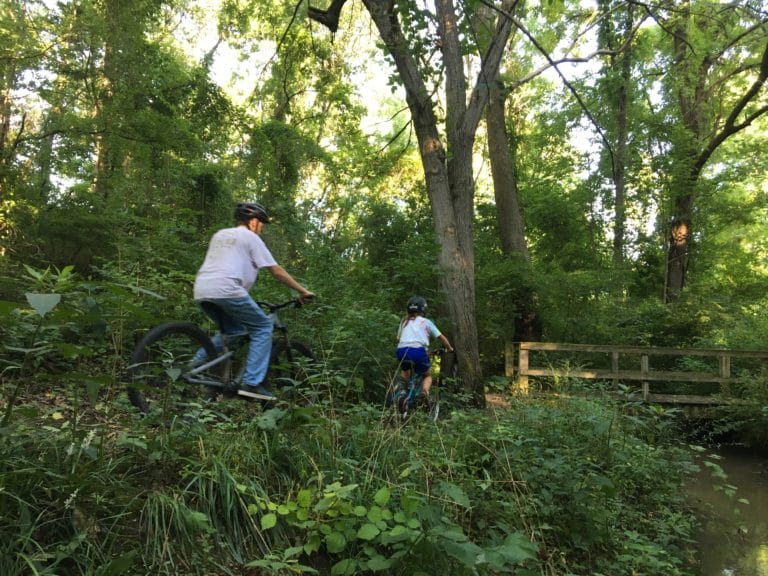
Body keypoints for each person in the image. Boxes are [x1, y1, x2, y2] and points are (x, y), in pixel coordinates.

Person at [193, 202, 314, 399]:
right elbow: (276, 271)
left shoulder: (220, 235)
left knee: (232, 332)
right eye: (262, 224)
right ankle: (251, 384)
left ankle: (190, 366)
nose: (262, 228)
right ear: (254, 222)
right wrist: (303, 291)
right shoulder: (251, 237)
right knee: (264, 327)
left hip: (202, 290)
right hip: (228, 290)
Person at [395, 295, 453, 401]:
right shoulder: (426, 322)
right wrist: (449, 348)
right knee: (427, 375)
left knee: (405, 371)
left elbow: (398, 339)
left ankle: (402, 394)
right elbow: (441, 337)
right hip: (418, 351)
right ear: (423, 309)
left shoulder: (403, 322)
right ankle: (424, 393)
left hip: (401, 350)